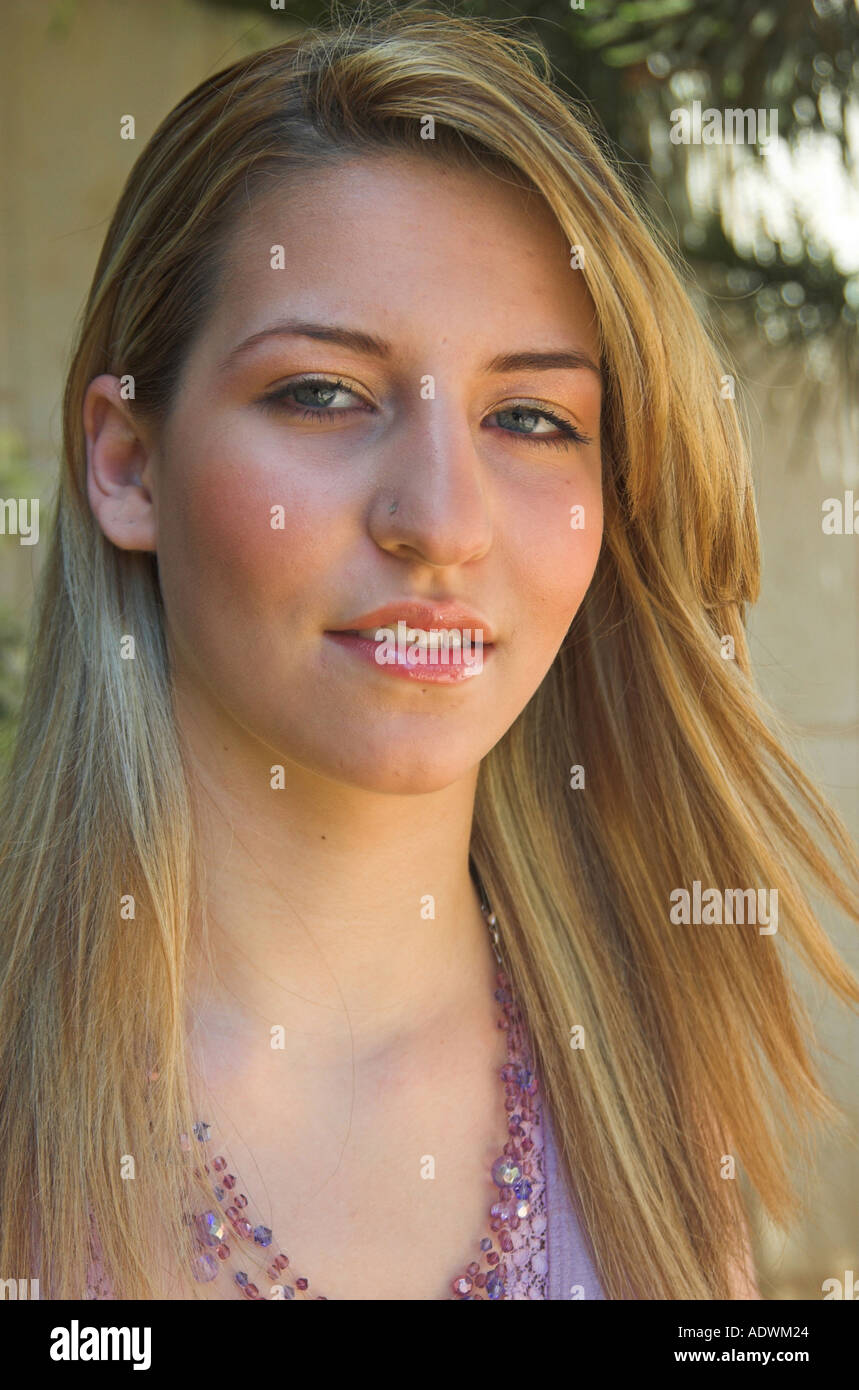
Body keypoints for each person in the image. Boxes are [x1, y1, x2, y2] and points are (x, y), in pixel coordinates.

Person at [1, 1, 857, 1301]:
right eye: (324, 394)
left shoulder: (653, 1095)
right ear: (127, 465)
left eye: (530, 415)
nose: (443, 521)